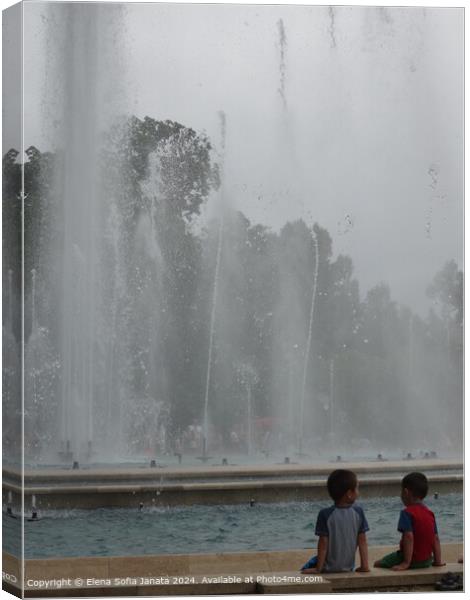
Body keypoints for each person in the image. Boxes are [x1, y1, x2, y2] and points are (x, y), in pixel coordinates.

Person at [300, 469, 370, 573]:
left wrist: (318, 569)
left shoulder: (325, 514)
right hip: (348, 567)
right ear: (349, 493)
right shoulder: (358, 512)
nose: (358, 492)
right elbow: (362, 541)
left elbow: (323, 542)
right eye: (357, 488)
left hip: (327, 568)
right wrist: (364, 566)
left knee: (305, 568)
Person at [374, 472, 445, 570]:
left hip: (411, 561)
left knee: (377, 564)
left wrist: (406, 563)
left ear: (406, 492)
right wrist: (437, 561)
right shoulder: (430, 513)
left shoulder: (407, 513)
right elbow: (435, 538)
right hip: (426, 561)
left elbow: (408, 536)